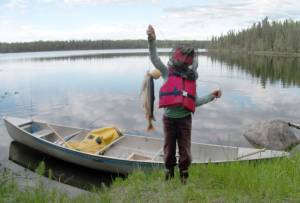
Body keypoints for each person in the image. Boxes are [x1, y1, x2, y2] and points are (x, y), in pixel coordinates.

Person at [146, 25, 222, 184]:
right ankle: (168, 175)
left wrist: (211, 96)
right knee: (169, 151)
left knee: (185, 152)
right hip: (168, 120)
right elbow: (154, 58)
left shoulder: (190, 78)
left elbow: (195, 102)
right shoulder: (167, 73)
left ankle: (183, 177)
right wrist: (151, 39)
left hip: (185, 120)